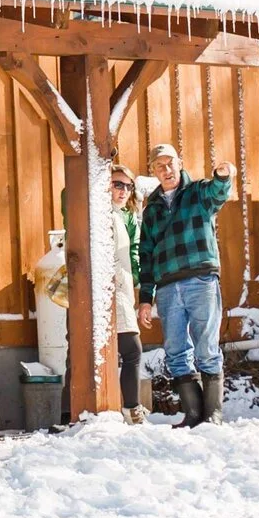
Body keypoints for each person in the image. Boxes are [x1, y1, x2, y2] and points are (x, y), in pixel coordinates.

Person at [135, 142, 235, 428]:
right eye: (159, 166)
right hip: (167, 288)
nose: (166, 170)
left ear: (179, 164)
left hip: (200, 279)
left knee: (206, 347)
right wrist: (145, 297)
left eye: (170, 164)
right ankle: (192, 414)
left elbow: (219, 192)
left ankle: (213, 414)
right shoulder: (152, 208)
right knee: (176, 351)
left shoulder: (198, 193)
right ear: (153, 171)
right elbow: (146, 254)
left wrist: (223, 175)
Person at [110, 164, 146, 421]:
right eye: (117, 184)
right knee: (132, 350)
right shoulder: (105, 215)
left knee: (124, 352)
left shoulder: (123, 215)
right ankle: (131, 409)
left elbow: (131, 255)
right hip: (111, 291)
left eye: (128, 186)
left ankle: (125, 408)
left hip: (123, 289)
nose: (123, 190)